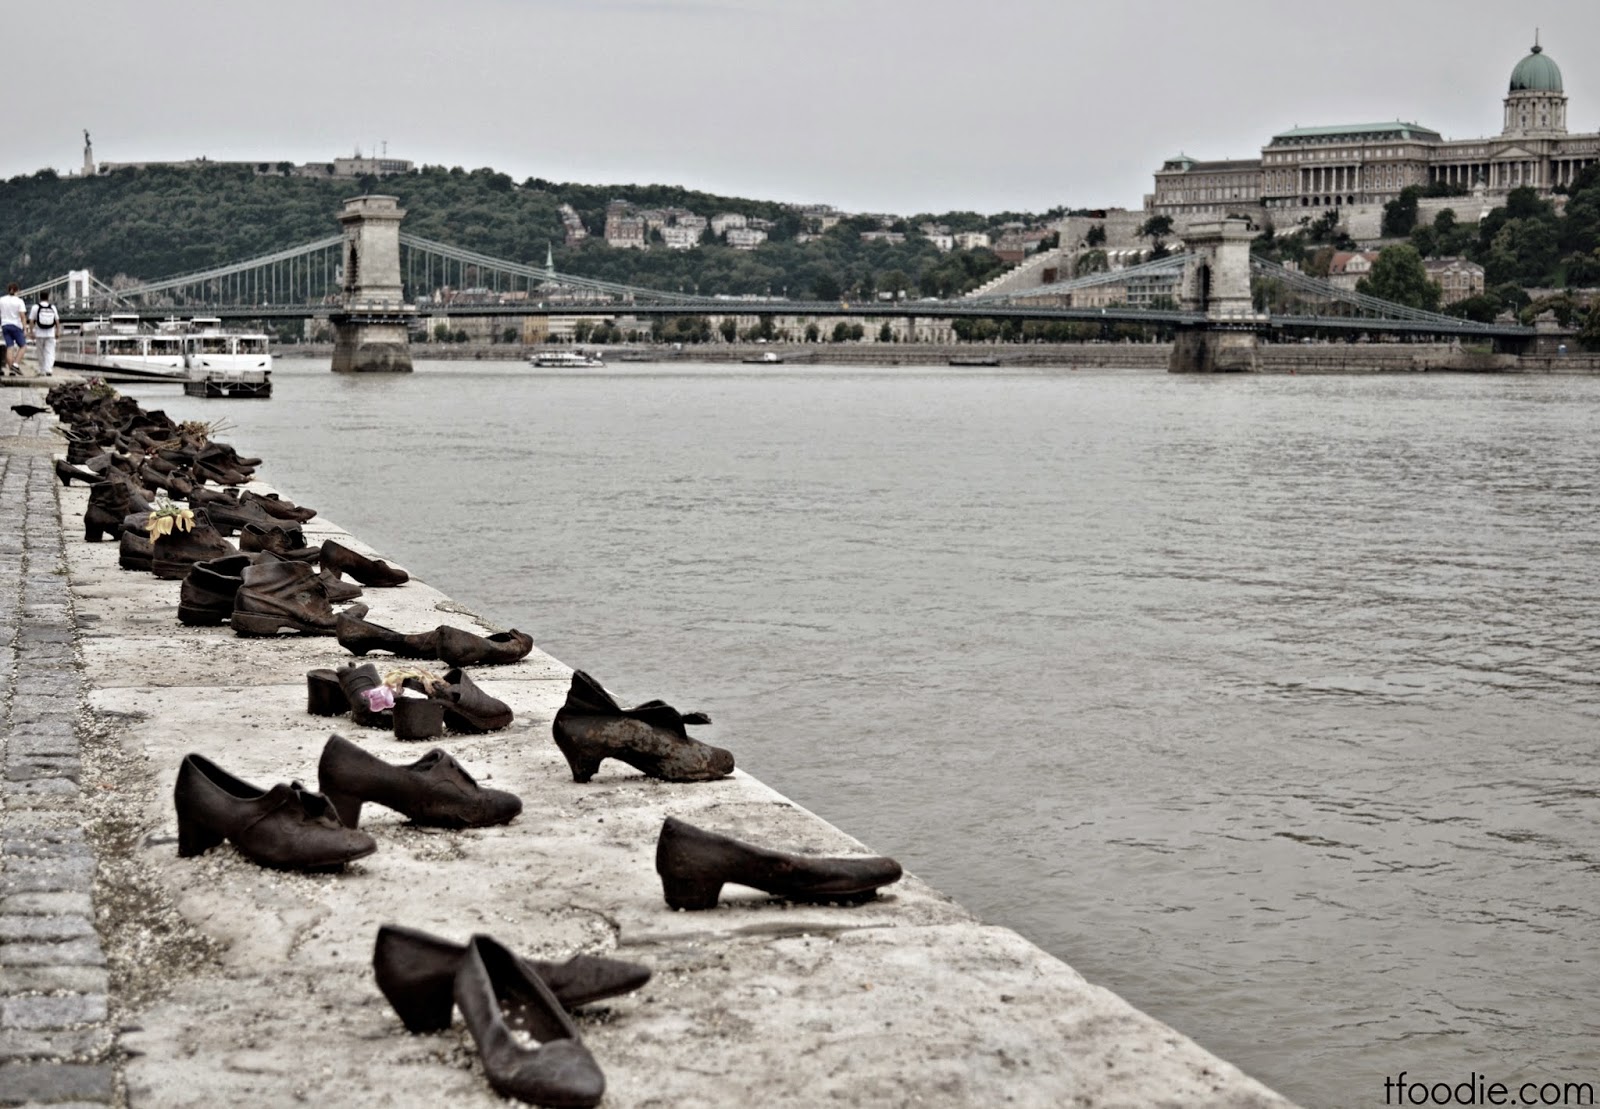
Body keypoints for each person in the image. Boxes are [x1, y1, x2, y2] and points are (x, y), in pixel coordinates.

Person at [28, 291, 58, 376]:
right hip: (50, 333)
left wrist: (31, 332)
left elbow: (31, 321)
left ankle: (42, 370)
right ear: (48, 297)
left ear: (39, 297)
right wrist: (57, 331)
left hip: (39, 333)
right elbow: (57, 321)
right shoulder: (52, 307)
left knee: (40, 352)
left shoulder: (35, 307)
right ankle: (49, 370)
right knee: (50, 352)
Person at [0, 283, 25, 375]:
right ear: (17, 291)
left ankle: (11, 370)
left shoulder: (1, 300)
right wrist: (25, 329)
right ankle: (15, 365)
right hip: (16, 326)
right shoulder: (19, 301)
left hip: (5, 326)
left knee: (10, 347)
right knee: (23, 346)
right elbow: (22, 316)